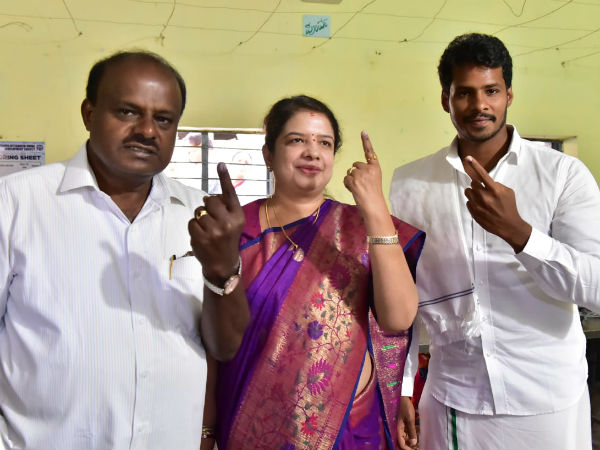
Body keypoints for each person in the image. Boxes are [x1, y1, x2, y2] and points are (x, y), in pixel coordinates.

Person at [0, 51, 248, 449]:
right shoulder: (15, 204)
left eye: (164, 119)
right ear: (89, 114)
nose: (147, 131)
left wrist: (222, 270)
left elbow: (225, 346)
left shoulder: (200, 214)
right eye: (128, 112)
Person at [390, 32, 600, 450]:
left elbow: (595, 288)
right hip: (455, 397)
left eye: (491, 91)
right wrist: (403, 386)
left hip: (547, 396)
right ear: (446, 99)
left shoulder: (562, 175)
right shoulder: (411, 184)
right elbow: (402, 295)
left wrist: (521, 234)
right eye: (464, 93)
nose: (479, 104)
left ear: (509, 95)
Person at [206, 95, 425, 450]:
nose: (312, 152)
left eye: (324, 143)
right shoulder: (236, 231)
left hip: (349, 431)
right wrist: (205, 429)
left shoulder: (359, 226)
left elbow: (398, 317)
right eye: (297, 140)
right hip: (252, 430)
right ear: (268, 155)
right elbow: (211, 342)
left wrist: (374, 207)